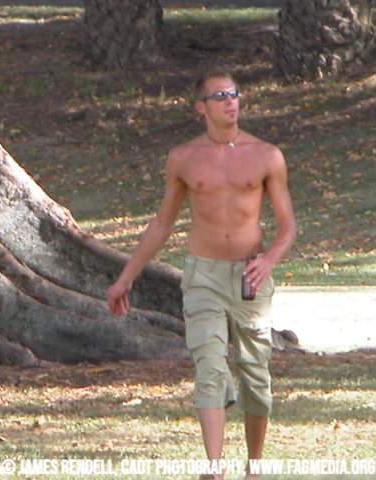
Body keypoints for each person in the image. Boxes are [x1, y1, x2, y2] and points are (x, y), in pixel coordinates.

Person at [106, 68, 297, 478]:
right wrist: (126, 278)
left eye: (234, 93)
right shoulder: (183, 157)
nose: (231, 101)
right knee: (210, 366)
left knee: (254, 373)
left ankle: (254, 466)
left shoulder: (267, 155)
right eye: (220, 96)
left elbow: (288, 227)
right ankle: (214, 469)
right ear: (201, 107)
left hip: (250, 276)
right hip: (202, 276)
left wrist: (268, 260)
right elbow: (162, 224)